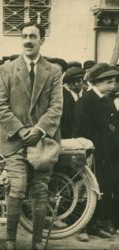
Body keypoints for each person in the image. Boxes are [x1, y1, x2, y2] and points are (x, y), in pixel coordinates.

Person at [0, 21, 63, 250]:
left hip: (43, 141)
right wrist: (22, 130)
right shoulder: (6, 69)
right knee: (19, 186)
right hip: (14, 139)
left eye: (33, 36)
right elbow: (0, 106)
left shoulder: (53, 71)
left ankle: (37, 242)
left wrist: (39, 130)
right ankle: (10, 240)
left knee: (41, 191)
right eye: (24, 36)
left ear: (42, 40)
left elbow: (56, 107)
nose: (27, 41)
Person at [74, 63, 119, 239]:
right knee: (88, 191)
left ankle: (96, 224)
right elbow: (80, 130)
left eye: (114, 82)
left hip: (107, 155)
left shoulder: (107, 101)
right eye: (109, 82)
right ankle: (82, 227)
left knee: (102, 189)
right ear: (96, 82)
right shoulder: (86, 101)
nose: (113, 86)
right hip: (92, 154)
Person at [60, 67, 85, 139]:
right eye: (73, 82)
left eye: (78, 81)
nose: (76, 84)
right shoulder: (64, 97)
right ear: (67, 84)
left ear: (83, 81)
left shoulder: (87, 95)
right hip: (69, 136)